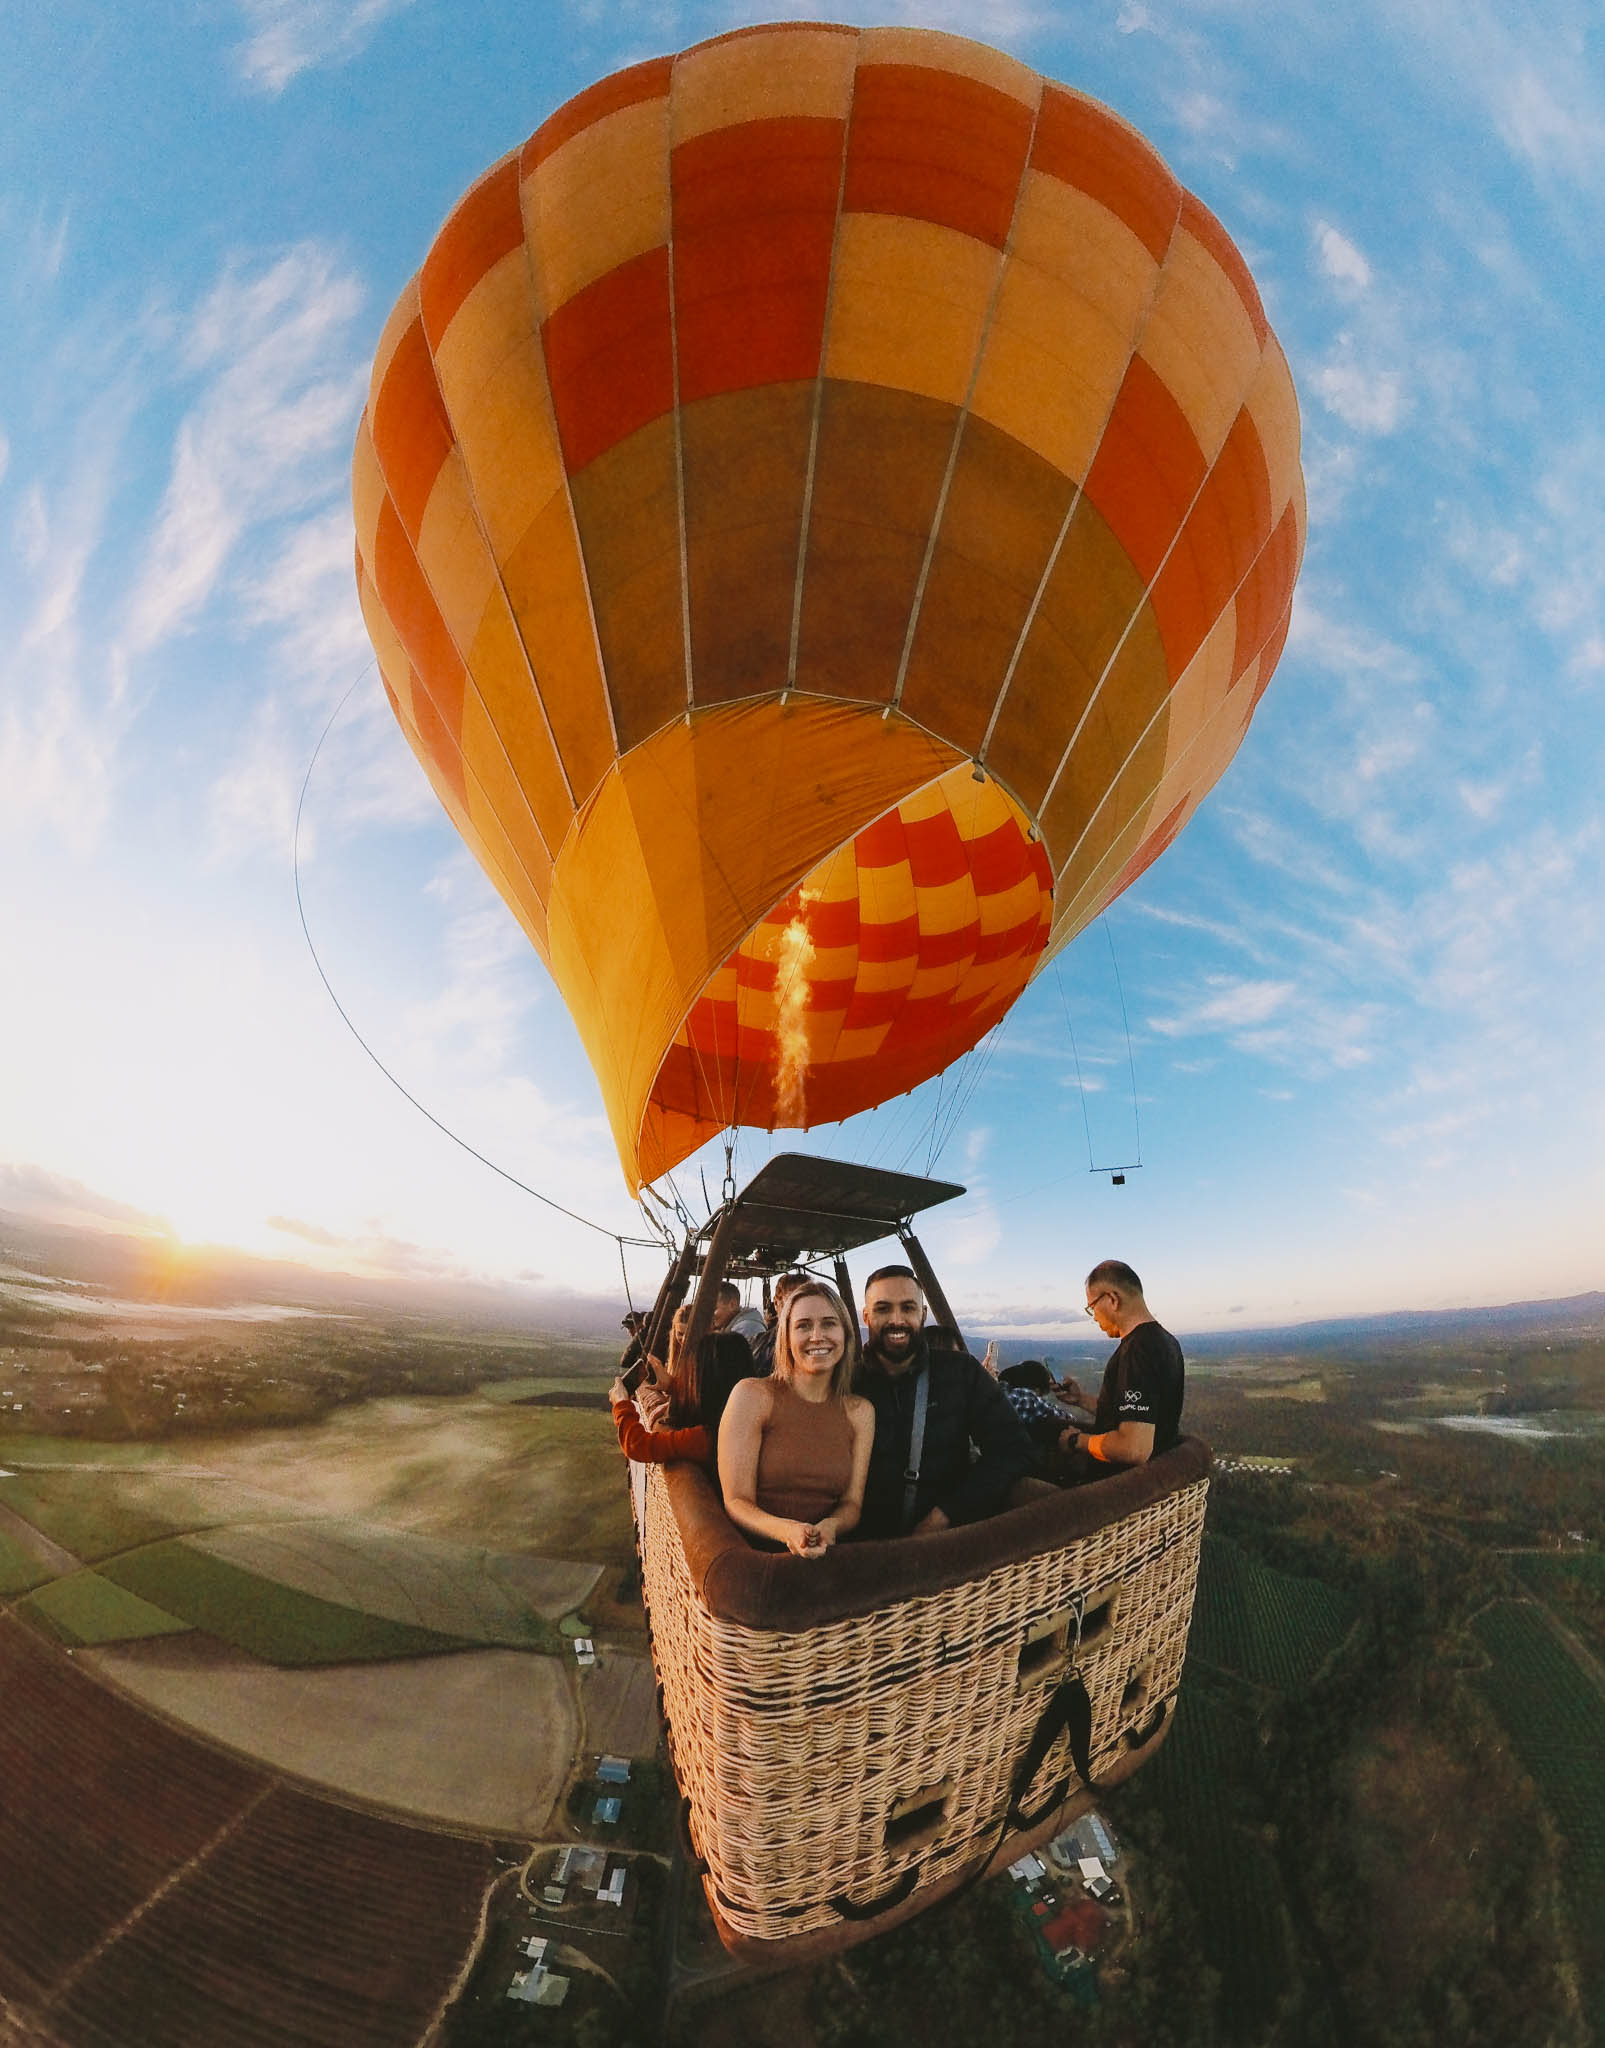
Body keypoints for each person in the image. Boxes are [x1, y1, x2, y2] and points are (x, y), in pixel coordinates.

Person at [854, 1266, 1034, 1540]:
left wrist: (946, 1514)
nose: (897, 1319)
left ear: (923, 1315)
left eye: (908, 1308)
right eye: (882, 1309)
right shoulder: (848, 1383)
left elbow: (1013, 1448)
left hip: (945, 1543)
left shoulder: (961, 1373)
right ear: (866, 1316)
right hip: (863, 1546)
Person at [718, 1280, 874, 1558]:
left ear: (845, 1334)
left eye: (829, 1324)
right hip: (760, 1560)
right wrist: (787, 1531)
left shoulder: (860, 1413)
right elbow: (737, 1501)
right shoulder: (753, 1396)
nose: (817, 1336)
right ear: (786, 1337)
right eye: (803, 1326)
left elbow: (852, 1504)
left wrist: (831, 1526)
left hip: (829, 1557)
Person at [1057, 1260, 1185, 1472]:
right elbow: (1136, 1416)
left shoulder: (1138, 1349)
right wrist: (1080, 1400)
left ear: (1112, 1299)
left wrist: (1077, 1440)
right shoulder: (1166, 1341)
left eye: (1092, 1307)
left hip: (1123, 1490)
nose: (1094, 1317)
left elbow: (1133, 1448)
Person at [748, 1270, 810, 1374]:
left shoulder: (824, 1344)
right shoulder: (754, 1344)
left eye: (808, 1301)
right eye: (794, 1300)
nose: (802, 1307)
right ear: (776, 1303)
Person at [712, 1279, 767, 1350]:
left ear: (732, 1305)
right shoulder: (735, 1327)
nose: (710, 1314)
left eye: (714, 1309)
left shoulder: (745, 1330)